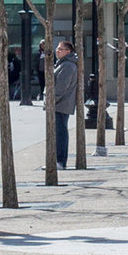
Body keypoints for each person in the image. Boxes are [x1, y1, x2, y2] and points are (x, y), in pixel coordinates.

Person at [51, 40, 78, 170]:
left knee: (60, 132)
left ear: (68, 52)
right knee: (58, 132)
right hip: (60, 103)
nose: (57, 50)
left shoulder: (67, 66)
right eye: (57, 48)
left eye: (60, 49)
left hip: (61, 104)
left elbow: (61, 87)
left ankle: (60, 161)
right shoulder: (62, 64)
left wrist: (52, 100)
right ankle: (57, 160)